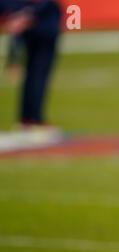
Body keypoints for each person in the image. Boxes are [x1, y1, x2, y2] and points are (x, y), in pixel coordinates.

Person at [0, 0, 62, 152]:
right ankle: (32, 120)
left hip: (32, 20)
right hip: (42, 22)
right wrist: (25, 13)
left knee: (34, 74)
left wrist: (15, 14)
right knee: (38, 74)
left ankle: (29, 119)